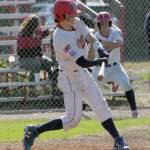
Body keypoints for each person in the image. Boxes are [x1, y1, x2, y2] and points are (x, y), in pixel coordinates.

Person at [23, 1, 130, 150]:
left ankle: (119, 141)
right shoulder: (60, 37)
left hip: (83, 74)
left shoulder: (76, 22)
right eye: (71, 15)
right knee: (73, 119)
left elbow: (90, 37)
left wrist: (100, 49)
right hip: (69, 77)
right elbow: (82, 61)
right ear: (62, 17)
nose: (75, 17)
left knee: (101, 106)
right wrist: (98, 62)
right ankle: (34, 130)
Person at [92, 11, 138, 118]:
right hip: (100, 68)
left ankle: (134, 112)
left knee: (127, 84)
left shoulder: (115, 32)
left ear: (110, 23)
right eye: (102, 23)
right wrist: (100, 42)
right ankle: (82, 112)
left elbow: (119, 43)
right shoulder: (95, 36)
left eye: (107, 23)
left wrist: (101, 43)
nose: (105, 25)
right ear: (98, 25)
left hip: (115, 67)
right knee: (91, 89)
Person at [17, 15, 58, 96]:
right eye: (38, 24)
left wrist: (54, 29)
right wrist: (33, 55)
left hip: (38, 57)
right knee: (36, 64)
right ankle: (33, 88)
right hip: (25, 59)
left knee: (50, 63)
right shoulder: (23, 34)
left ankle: (54, 87)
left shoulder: (38, 32)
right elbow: (20, 52)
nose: (40, 25)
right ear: (33, 25)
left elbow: (44, 33)